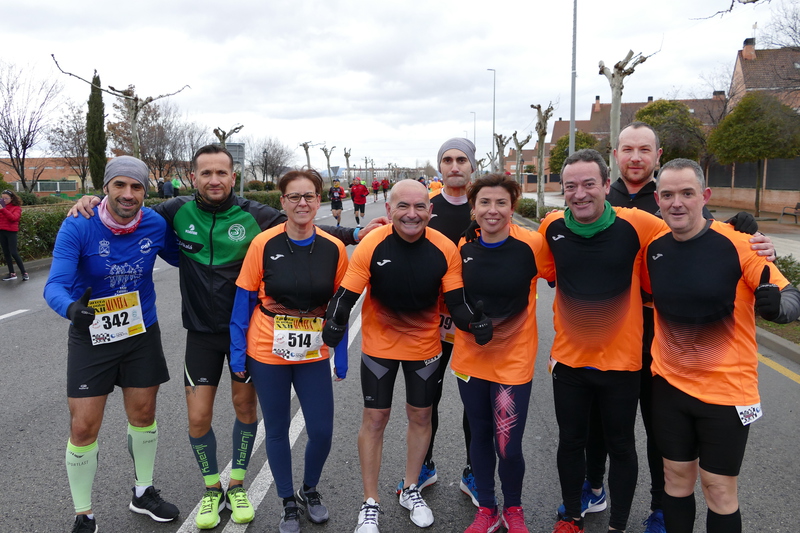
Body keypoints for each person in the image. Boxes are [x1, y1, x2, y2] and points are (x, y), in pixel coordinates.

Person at [68, 146, 384, 530]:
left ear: (233, 177)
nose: (214, 180)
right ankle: (210, 488)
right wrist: (92, 200)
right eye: (206, 173)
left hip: (244, 334)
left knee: (246, 411)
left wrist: (354, 233)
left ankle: (236, 484)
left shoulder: (254, 214)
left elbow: (302, 224)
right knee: (198, 417)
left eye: (222, 173)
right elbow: (126, 209)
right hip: (200, 334)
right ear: (194, 178)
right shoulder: (174, 211)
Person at [572, 122, 775, 533]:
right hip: (615, 338)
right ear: (615, 155)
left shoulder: (673, 191)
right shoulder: (599, 196)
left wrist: (750, 239)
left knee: (663, 438)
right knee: (602, 425)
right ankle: (593, 486)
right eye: (628, 149)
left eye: (644, 149)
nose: (636, 157)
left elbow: (707, 242)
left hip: (666, 342)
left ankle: (659, 508)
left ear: (657, 155)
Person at [641, 158, 800, 533]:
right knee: (675, 481)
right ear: (658, 200)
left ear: (705, 196)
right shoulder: (654, 250)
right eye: (668, 195)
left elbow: (791, 296)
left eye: (687, 193)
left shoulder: (740, 244)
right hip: (669, 387)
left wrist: (778, 309)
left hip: (727, 392)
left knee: (719, 490)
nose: (677, 203)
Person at [322, 179, 483, 533]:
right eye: (403, 206)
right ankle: (370, 502)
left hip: (424, 346)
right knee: (375, 418)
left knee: (421, 416)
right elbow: (346, 296)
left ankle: (411, 489)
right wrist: (335, 322)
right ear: (389, 209)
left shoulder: (444, 248)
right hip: (379, 345)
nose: (412, 214)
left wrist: (476, 324)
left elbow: (457, 304)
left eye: (420, 206)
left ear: (430, 210)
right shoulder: (372, 243)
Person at [44, 156, 181, 533]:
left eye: (137, 186)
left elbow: (186, 255)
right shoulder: (79, 223)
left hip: (140, 332)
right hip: (92, 333)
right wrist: (71, 309)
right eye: (120, 184)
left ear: (145, 191)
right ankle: (84, 514)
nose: (128, 194)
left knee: (144, 415)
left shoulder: (154, 223)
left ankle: (143, 492)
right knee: (84, 427)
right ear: (105, 187)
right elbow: (54, 284)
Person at [230, 169, 349, 533]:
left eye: (309, 196)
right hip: (268, 348)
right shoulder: (263, 243)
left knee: (322, 430)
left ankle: (308, 489)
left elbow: (339, 306)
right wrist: (238, 353)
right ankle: (286, 502)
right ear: (282, 202)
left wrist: (341, 353)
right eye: (294, 196)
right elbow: (243, 301)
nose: (302, 203)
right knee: (277, 428)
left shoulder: (334, 247)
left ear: (318, 200)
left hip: (313, 349)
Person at [453, 174, 552, 533]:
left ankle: (513, 508)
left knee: (507, 444)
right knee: (479, 435)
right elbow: (452, 298)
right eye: (484, 202)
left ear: (513, 207)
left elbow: (567, 278)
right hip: (470, 358)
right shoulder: (462, 247)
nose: (492, 210)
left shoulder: (533, 244)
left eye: (501, 203)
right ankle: (487, 509)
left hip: (514, 360)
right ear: (473, 207)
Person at [403, 138, 479, 507]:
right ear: (439, 166)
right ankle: (424, 465)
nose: (454, 166)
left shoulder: (485, 205)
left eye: (461, 159)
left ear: (472, 166)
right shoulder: (427, 208)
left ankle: (474, 470)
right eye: (447, 160)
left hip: (472, 321)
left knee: (475, 402)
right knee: (426, 400)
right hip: (432, 322)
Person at [0, 189, 28, 281]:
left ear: (11, 198)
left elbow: (14, 218)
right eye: (2, 198)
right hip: (2, 231)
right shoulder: (2, 207)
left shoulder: (16, 208)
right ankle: (12, 273)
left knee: (13, 252)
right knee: (6, 253)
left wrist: (3, 210)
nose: (4, 200)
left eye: (6, 198)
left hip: (11, 232)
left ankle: (24, 273)